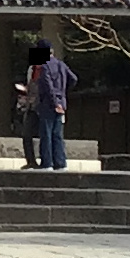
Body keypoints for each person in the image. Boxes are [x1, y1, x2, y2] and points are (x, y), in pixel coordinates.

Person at [29, 39, 76, 170]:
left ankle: (47, 163)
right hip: (62, 103)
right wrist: (62, 94)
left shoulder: (45, 67)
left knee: (46, 134)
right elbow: (74, 79)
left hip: (48, 104)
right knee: (58, 135)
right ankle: (60, 163)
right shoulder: (61, 65)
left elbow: (48, 86)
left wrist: (54, 101)